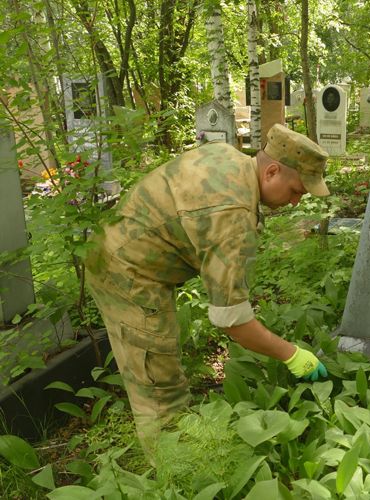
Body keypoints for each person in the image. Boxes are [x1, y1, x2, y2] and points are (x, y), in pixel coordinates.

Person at [84, 123, 330, 458]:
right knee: (159, 390)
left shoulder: (230, 158)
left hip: (126, 251)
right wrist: (291, 354)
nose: (296, 202)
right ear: (272, 171)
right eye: (296, 190)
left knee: (160, 361)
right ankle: (171, 476)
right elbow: (233, 322)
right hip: (128, 272)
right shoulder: (233, 212)